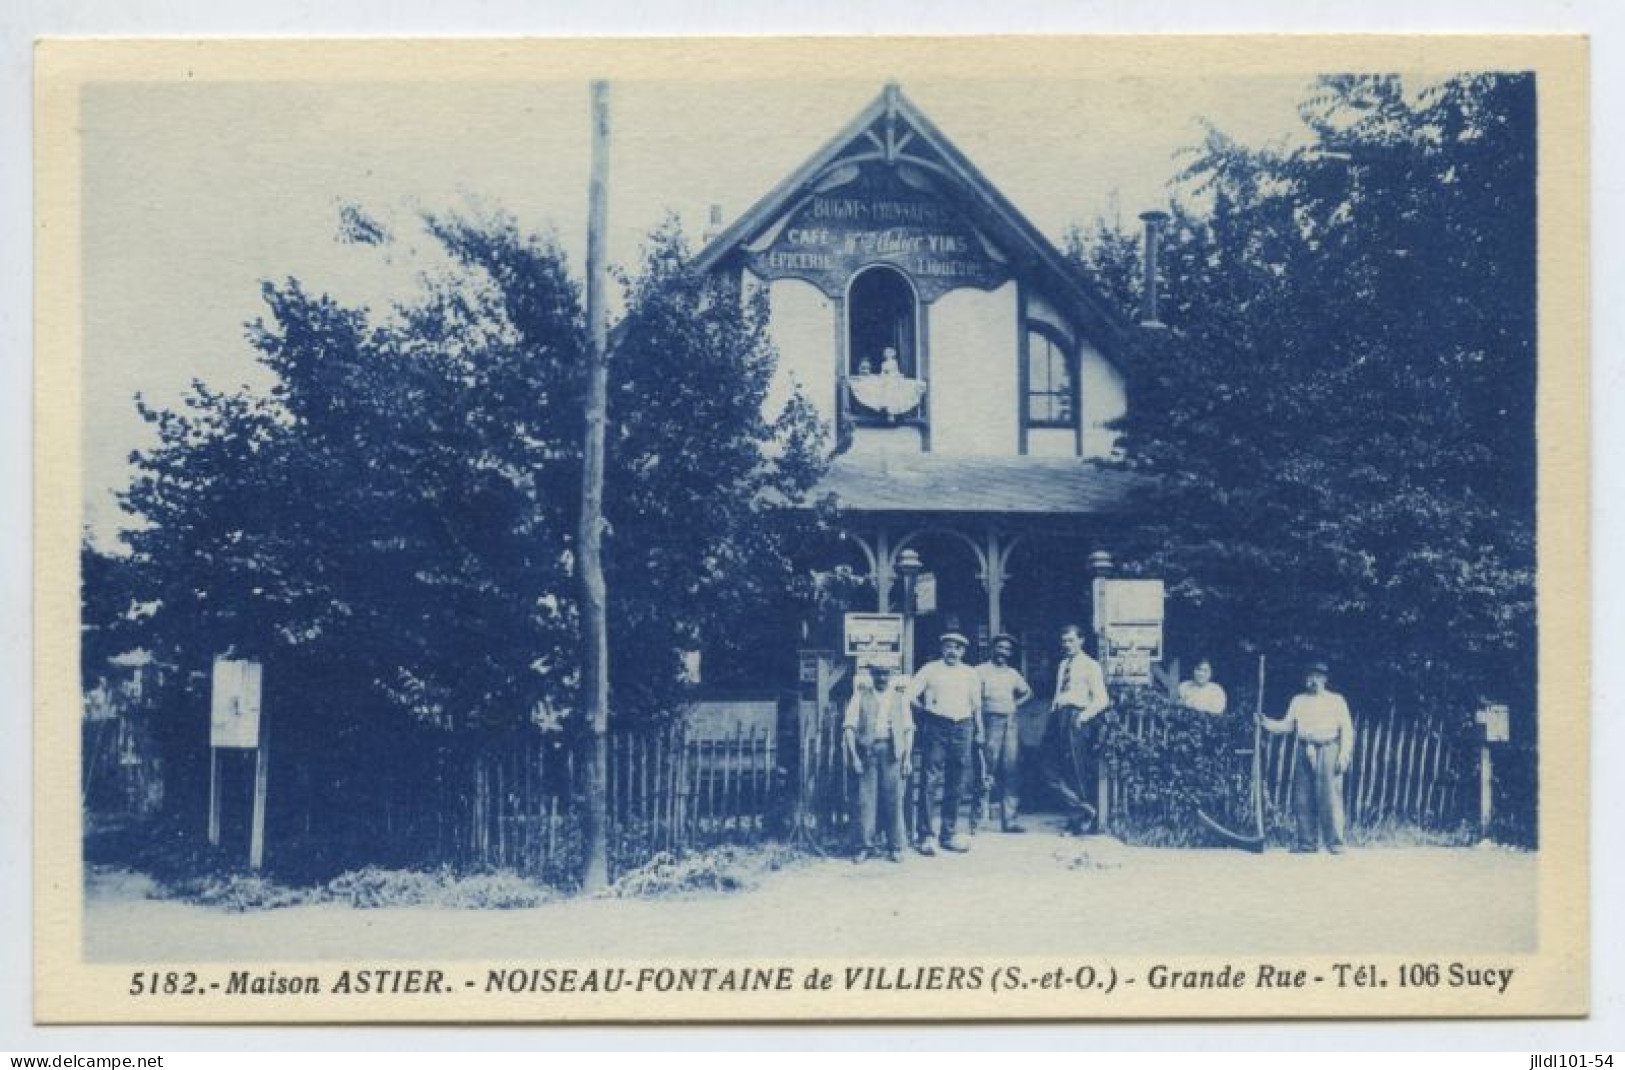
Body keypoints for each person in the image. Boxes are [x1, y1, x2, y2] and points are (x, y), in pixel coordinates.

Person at [1258, 660, 1356, 854]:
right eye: (1310, 676)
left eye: (1318, 677)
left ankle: (1335, 843)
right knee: (1302, 797)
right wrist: (1265, 722)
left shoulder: (1336, 700)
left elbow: (1347, 729)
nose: (1313, 680)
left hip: (1329, 748)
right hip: (1304, 749)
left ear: (1325, 679)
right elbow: (1288, 726)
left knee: (1330, 797)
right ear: (1305, 679)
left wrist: (1344, 756)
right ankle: (1307, 842)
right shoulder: (1298, 701)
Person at [905, 631, 983, 855]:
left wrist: (979, 731)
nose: (952, 651)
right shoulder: (930, 669)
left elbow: (976, 706)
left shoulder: (970, 673)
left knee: (957, 780)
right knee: (931, 779)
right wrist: (927, 713)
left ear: (963, 651)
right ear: (942, 648)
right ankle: (926, 836)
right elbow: (910, 695)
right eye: (948, 646)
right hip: (936, 726)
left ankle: (948, 834)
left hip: (963, 726)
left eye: (957, 648)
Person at [1041, 624, 1110, 834]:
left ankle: (1077, 823)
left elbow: (1102, 699)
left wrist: (1082, 717)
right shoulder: (1063, 664)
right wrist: (1053, 712)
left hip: (1076, 718)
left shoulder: (1091, 666)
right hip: (1058, 717)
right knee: (1048, 768)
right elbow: (1058, 692)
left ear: (1081, 641)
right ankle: (1083, 809)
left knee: (1075, 771)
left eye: (1071, 640)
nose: (1067, 645)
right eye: (1064, 641)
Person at [842, 661, 914, 863]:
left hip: (893, 753)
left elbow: (908, 729)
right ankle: (864, 846)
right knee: (865, 801)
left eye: (885, 674)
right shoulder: (860, 696)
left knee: (894, 799)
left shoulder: (900, 698)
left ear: (891, 675)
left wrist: (907, 758)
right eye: (878, 674)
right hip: (868, 753)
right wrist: (854, 757)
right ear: (872, 675)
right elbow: (849, 728)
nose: (882, 678)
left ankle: (896, 846)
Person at [975, 634, 1033, 832]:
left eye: (1007, 649)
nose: (1003, 652)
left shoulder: (1012, 674)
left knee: (1011, 769)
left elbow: (1028, 692)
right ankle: (978, 819)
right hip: (989, 721)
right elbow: (972, 697)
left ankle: (1010, 820)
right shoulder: (980, 671)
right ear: (992, 649)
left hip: (1010, 722)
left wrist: (1014, 704)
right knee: (986, 769)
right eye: (999, 648)